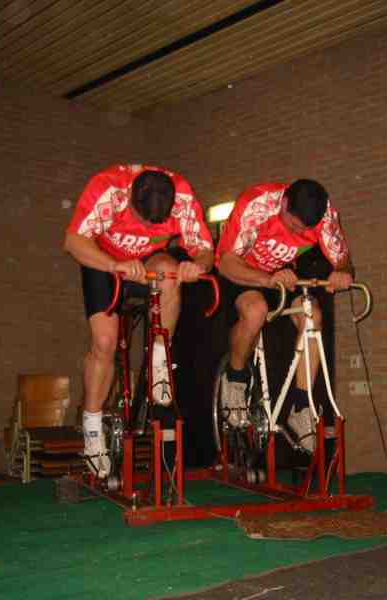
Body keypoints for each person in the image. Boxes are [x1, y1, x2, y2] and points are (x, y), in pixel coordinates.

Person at [65, 164, 214, 478]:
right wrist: (113, 264)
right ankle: (92, 428)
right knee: (105, 342)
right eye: (141, 221)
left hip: (148, 262)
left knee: (170, 274)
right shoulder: (108, 189)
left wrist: (197, 266)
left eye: (154, 225)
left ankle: (161, 356)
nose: (145, 230)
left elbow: (204, 249)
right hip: (103, 261)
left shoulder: (183, 197)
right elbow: (74, 242)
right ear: (129, 198)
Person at [215, 179, 353, 453]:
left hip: (284, 275)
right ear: (284, 203)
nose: (298, 234)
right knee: (256, 311)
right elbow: (226, 262)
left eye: (305, 230)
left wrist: (342, 271)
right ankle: (236, 378)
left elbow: (343, 258)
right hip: (242, 272)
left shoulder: (325, 216)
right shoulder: (256, 206)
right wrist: (267, 280)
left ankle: (301, 407)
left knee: (312, 315)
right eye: (293, 226)